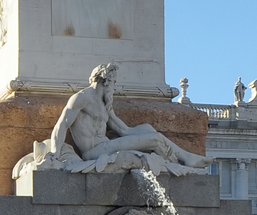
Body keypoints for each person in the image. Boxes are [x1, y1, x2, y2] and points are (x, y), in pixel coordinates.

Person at [50, 62, 209, 168]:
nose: (115, 87)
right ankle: (185, 159)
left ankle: (179, 160)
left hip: (106, 146)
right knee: (155, 140)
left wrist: (148, 132)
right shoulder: (81, 98)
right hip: (93, 152)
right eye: (114, 83)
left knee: (149, 129)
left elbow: (124, 131)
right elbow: (61, 125)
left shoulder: (105, 102)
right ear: (107, 80)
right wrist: (54, 154)